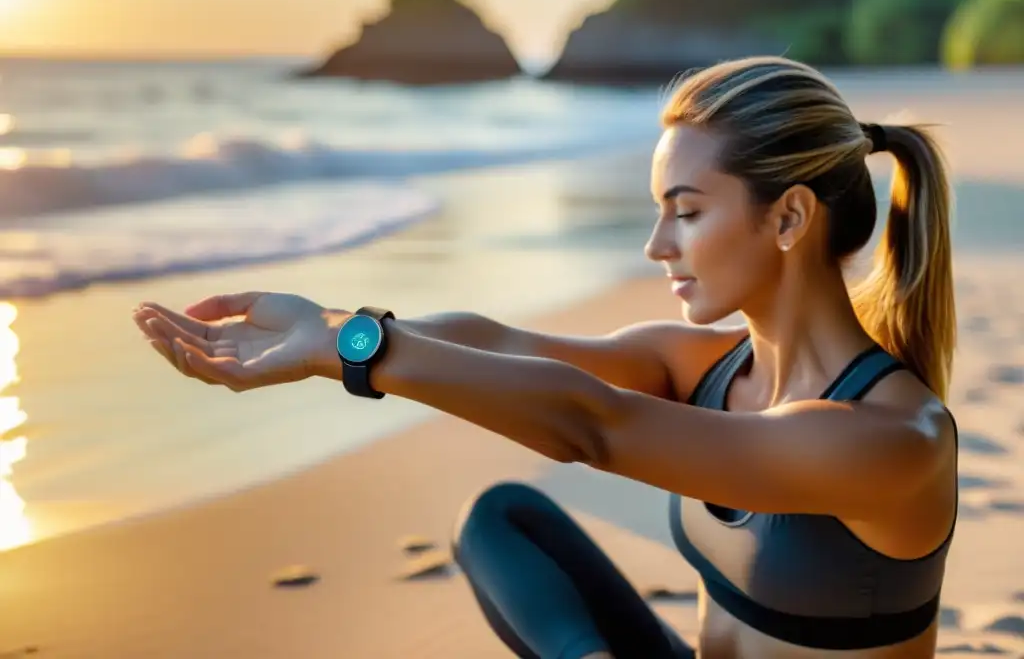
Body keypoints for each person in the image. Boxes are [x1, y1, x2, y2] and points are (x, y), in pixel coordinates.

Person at [133, 56, 959, 659]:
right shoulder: (700, 365)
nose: (656, 245)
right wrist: (329, 325)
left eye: (687, 212)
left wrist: (354, 355)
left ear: (788, 219)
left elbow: (591, 425)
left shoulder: (891, 440)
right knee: (503, 519)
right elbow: (497, 343)